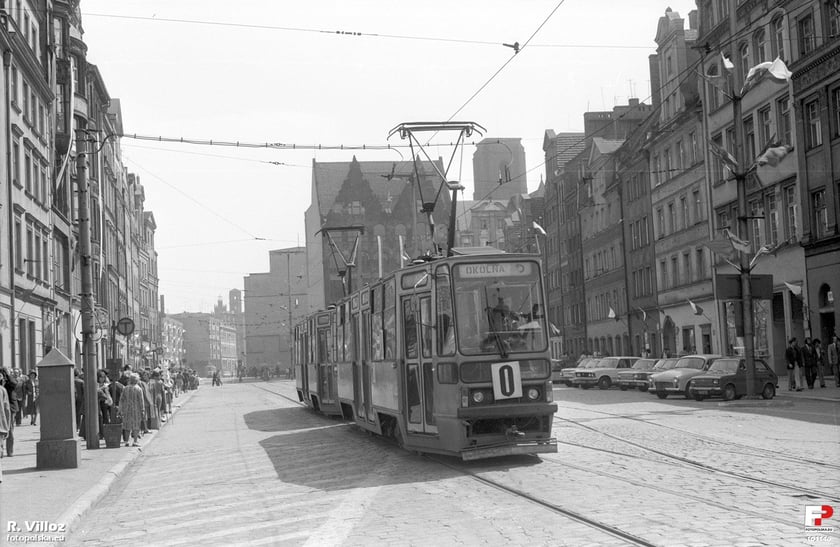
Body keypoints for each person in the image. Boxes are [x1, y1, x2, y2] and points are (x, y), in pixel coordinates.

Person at [119, 374, 145, 447]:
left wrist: (120, 409)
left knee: (127, 425)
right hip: (136, 409)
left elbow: (121, 399)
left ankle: (126, 441)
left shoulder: (125, 388)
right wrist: (142, 409)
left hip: (127, 409)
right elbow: (141, 400)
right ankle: (135, 441)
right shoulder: (138, 389)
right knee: (136, 425)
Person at [1, 368, 16, 460]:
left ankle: (9, 451)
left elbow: (14, 384)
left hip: (9, 408)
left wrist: (7, 373)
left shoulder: (8, 383)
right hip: (2, 408)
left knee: (9, 430)